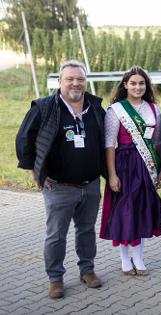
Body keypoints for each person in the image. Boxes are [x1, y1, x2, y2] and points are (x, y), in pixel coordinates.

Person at [16, 60, 106, 298]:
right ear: (60, 81)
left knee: (86, 230)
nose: (76, 83)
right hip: (58, 186)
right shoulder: (45, 107)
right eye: (70, 79)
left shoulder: (95, 107)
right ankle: (55, 278)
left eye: (80, 79)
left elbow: (107, 141)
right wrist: (33, 170)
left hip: (91, 184)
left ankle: (87, 270)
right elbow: (24, 139)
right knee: (56, 234)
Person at [99, 66, 161, 276]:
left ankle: (139, 257)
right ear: (125, 85)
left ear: (146, 86)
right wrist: (112, 175)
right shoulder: (116, 110)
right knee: (125, 212)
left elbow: (157, 143)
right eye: (133, 83)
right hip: (124, 167)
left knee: (142, 211)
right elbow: (109, 144)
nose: (138, 87)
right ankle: (125, 259)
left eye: (141, 83)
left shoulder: (155, 109)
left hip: (146, 168)